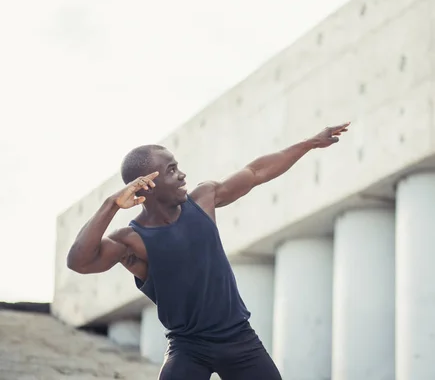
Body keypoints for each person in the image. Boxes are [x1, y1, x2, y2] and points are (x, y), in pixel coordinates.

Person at [66, 122, 350, 380]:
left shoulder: (204, 199)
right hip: (188, 348)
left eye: (177, 167)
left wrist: (310, 142)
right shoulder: (131, 240)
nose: (182, 175)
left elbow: (257, 171)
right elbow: (79, 261)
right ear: (147, 185)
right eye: (171, 171)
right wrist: (112, 204)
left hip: (239, 339)